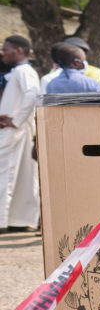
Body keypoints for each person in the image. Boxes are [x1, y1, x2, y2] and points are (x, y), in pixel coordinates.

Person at [0, 35, 41, 232]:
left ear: (19, 50)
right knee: (22, 175)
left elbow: (32, 94)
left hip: (15, 131)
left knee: (6, 173)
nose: (3, 53)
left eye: (6, 49)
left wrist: (15, 121)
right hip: (18, 130)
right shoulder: (19, 72)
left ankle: (4, 219)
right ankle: (18, 220)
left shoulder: (24, 71)